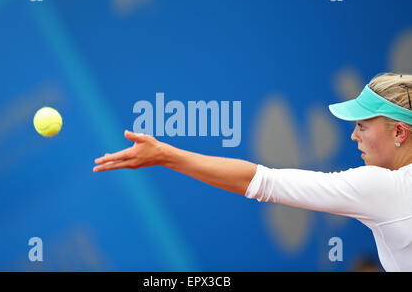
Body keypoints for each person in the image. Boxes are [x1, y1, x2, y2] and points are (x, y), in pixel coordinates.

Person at [93, 73, 412, 272]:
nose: (354, 136)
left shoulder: (382, 189)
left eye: (361, 126)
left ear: (399, 132)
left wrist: (166, 155)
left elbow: (262, 181)